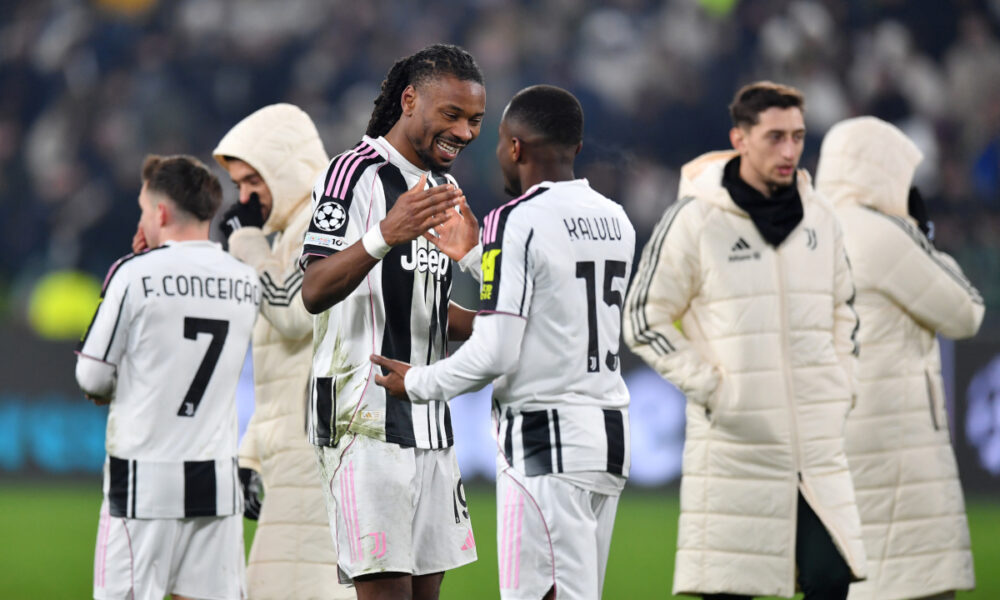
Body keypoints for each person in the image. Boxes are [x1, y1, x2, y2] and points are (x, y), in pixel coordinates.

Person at [373, 84, 636, 600]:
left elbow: (495, 352)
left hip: (547, 442)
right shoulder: (616, 219)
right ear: (575, 148)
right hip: (608, 438)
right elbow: (554, 312)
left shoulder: (514, 220)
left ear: (514, 147)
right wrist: (475, 257)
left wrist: (419, 382)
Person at [622, 81, 867, 600]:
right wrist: (715, 389)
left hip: (813, 446)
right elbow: (643, 316)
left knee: (830, 579)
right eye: (775, 136)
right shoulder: (695, 220)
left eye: (798, 137)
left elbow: (845, 310)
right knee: (729, 590)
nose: (789, 150)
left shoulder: (821, 216)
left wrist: (840, 383)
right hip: (737, 443)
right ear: (739, 138)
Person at [299, 43, 485, 600]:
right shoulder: (351, 173)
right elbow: (312, 290)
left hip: (429, 417)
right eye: (450, 114)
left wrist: (491, 325)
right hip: (364, 419)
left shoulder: (443, 191)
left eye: (475, 119)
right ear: (409, 101)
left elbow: (426, 307)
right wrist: (384, 234)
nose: (465, 131)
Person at [76, 155, 260, 600]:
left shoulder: (133, 274)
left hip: (144, 480)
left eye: (144, 208)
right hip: (216, 483)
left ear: (159, 212)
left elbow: (92, 376)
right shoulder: (246, 280)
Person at [816, 116, 984, 600]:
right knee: (912, 577)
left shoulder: (811, 229)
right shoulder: (881, 233)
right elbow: (964, 311)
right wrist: (922, 238)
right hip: (895, 439)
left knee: (861, 576)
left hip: (837, 432)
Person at [212, 103, 354, 600]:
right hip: (293, 451)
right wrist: (253, 453)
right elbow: (282, 374)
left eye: (254, 181)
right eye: (237, 186)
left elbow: (295, 311)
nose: (245, 197)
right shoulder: (292, 232)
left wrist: (248, 245)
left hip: (315, 453)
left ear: (287, 169)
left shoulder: (323, 220)